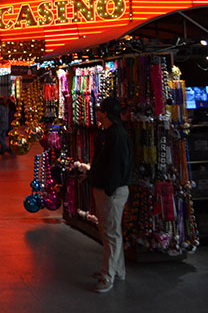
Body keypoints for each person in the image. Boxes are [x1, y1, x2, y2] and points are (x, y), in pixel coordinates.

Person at [89, 96, 132, 293]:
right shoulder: (105, 133)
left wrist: (110, 188)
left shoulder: (118, 135)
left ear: (105, 113)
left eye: (100, 110)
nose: (97, 113)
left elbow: (118, 165)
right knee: (108, 232)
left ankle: (108, 276)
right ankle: (117, 269)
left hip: (112, 191)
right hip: (104, 188)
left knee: (111, 233)